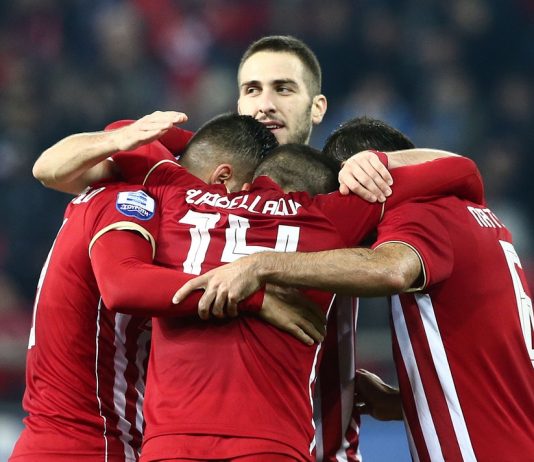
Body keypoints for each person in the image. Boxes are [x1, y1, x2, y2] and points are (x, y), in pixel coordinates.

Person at [32, 35, 395, 461]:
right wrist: (124, 135)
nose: (265, 104)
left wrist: (386, 164)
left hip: (321, 436)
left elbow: (409, 250)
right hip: (195, 433)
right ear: (238, 103)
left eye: (283, 88)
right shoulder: (190, 170)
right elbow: (52, 169)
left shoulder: (341, 187)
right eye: (252, 89)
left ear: (317, 107)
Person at [175, 116, 534, 461]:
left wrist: (260, 265)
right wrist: (401, 402)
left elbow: (389, 270)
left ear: (366, 178)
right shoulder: (476, 218)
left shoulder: (421, 213)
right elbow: (495, 378)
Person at [10, 114, 331, 462]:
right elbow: (123, 285)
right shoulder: (134, 200)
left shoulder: (124, 191)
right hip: (95, 445)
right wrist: (252, 297)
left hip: (59, 438)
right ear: (222, 179)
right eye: (245, 195)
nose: (245, 213)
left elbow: (113, 137)